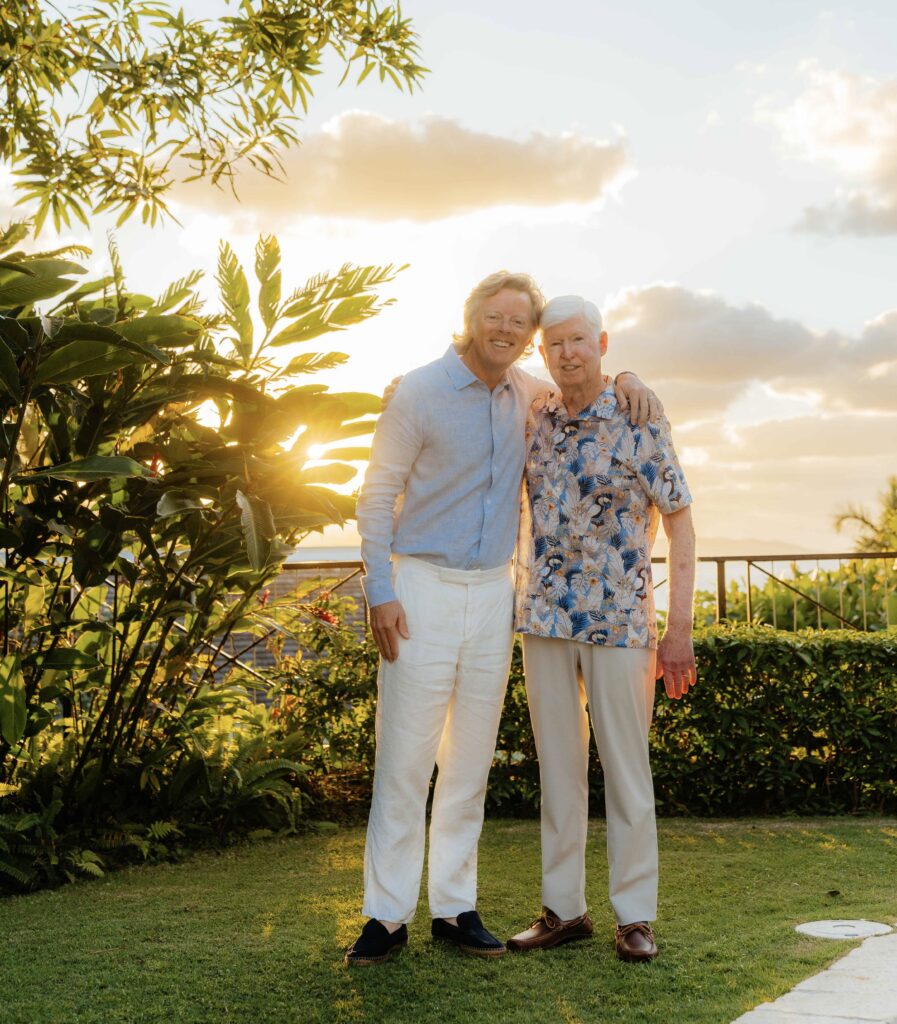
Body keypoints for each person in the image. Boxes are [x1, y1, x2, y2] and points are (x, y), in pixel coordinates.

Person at [345, 272, 660, 966]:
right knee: (404, 760)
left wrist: (629, 376)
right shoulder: (418, 391)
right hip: (419, 588)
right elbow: (376, 493)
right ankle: (386, 917)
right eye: (497, 317)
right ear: (471, 317)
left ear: (528, 336)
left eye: (520, 323)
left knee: (468, 764)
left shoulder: (529, 393)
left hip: (494, 595)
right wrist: (380, 590)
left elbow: (585, 382)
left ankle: (454, 909)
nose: (507, 330)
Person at [506, 295, 696, 963]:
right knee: (558, 770)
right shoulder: (535, 415)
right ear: (542, 352)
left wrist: (679, 628)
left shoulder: (639, 416)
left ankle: (634, 917)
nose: (567, 352)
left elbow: (680, 523)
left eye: (578, 340)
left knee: (626, 770)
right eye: (554, 343)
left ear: (602, 343)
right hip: (544, 618)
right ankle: (563, 912)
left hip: (621, 622)